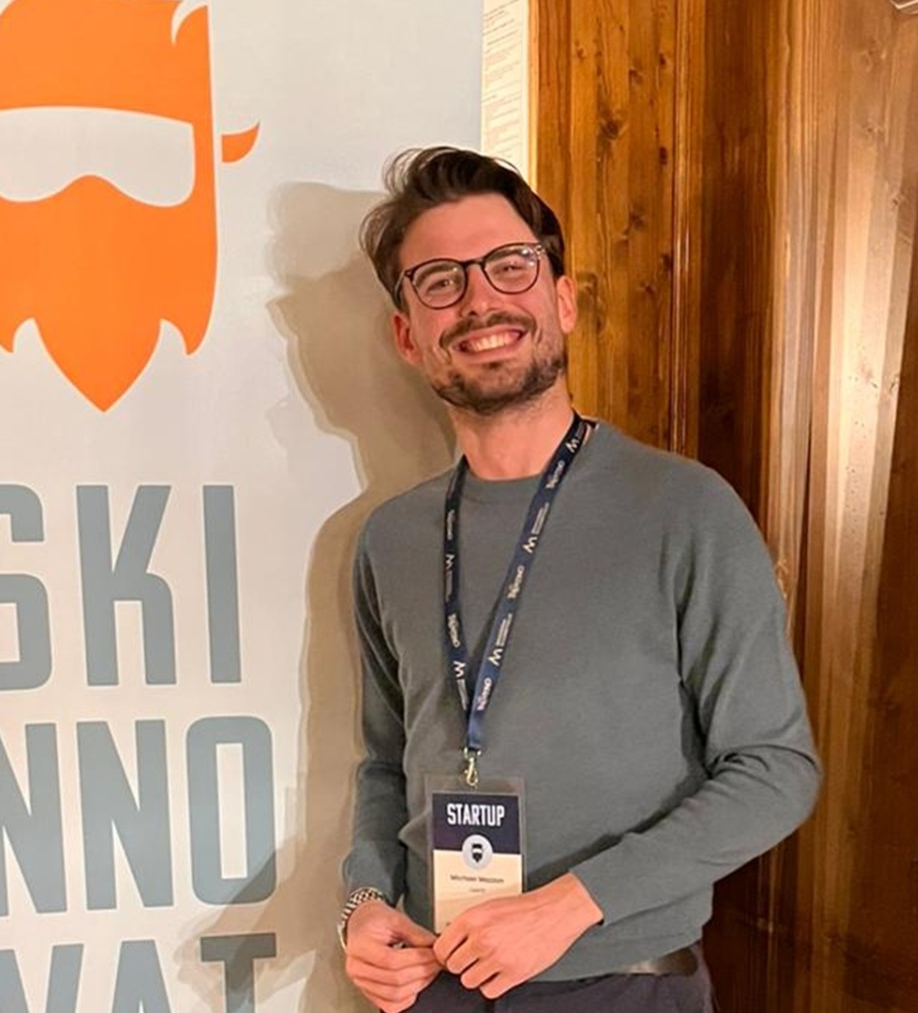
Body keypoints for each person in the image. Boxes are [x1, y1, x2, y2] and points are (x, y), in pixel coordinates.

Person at [337, 145, 819, 1013]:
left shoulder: (684, 509)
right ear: (408, 334)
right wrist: (364, 900)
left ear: (561, 299)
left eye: (509, 265)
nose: (479, 300)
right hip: (436, 983)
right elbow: (385, 762)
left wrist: (571, 905)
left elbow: (775, 768)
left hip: (625, 984)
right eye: (440, 281)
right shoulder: (391, 540)